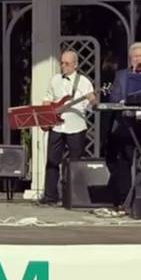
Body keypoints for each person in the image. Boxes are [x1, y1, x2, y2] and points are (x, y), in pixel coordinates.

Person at [43, 49, 97, 205]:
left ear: (75, 65)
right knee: (52, 161)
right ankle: (50, 196)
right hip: (57, 126)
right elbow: (47, 99)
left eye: (67, 63)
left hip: (76, 126)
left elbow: (92, 108)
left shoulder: (84, 82)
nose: (63, 66)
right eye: (62, 63)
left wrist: (93, 100)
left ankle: (75, 196)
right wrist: (46, 118)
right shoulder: (55, 80)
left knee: (75, 163)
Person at [106, 42, 141, 203]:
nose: (138, 59)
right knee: (124, 159)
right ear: (130, 59)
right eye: (134, 57)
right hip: (126, 124)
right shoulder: (121, 75)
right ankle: (124, 198)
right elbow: (114, 97)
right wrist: (125, 102)